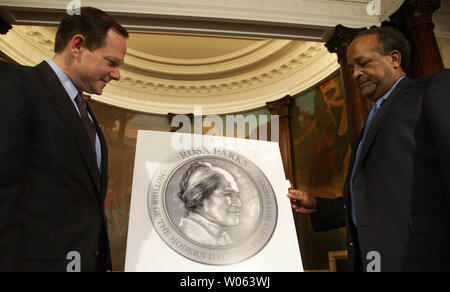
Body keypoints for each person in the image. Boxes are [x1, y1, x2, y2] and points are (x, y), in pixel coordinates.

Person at [289, 26, 450, 272]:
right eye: (352, 68)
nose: (355, 74)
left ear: (394, 59)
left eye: (363, 63)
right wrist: (318, 205)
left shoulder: (432, 89)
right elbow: (375, 197)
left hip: (421, 258)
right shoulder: (371, 120)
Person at [0, 7, 128, 272]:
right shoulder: (17, 86)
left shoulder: (87, 114)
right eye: (111, 62)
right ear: (78, 45)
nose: (117, 74)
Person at [178, 162, 242, 246]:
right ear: (198, 196)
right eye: (227, 194)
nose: (238, 204)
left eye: (237, 195)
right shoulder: (190, 237)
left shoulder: (221, 237)